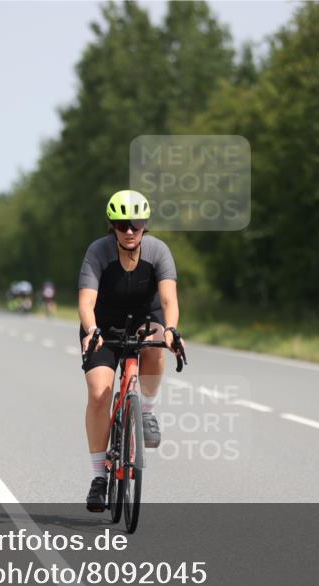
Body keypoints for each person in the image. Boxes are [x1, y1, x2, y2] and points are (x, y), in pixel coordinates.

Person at [78, 190, 182, 512]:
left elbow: (168, 300)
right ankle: (98, 478)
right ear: (113, 226)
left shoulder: (158, 251)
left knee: (156, 344)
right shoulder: (98, 251)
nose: (129, 230)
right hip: (103, 325)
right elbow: (86, 301)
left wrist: (170, 329)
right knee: (99, 394)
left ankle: (146, 411)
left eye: (135, 224)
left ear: (144, 225)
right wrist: (92, 331)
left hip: (144, 319)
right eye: (122, 225)